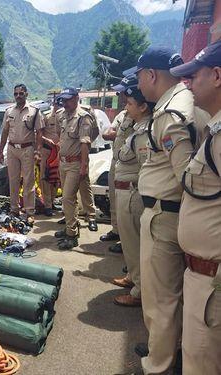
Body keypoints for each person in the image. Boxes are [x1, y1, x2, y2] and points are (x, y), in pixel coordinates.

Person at [124, 46, 207, 374]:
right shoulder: (184, 101)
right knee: (169, 297)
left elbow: (188, 177)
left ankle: (158, 365)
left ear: (152, 75)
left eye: (140, 75)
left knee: (161, 299)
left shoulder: (170, 113)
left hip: (164, 214)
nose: (138, 81)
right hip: (170, 214)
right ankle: (164, 349)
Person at [170, 40, 221, 375]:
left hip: (212, 284)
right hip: (201, 279)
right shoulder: (214, 131)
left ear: (216, 75)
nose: (189, 83)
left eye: (194, 75)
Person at [110, 76, 153, 307]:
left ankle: (138, 292)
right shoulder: (134, 127)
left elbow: (144, 167)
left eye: (129, 104)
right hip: (124, 192)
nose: (125, 107)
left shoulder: (145, 131)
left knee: (135, 243)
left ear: (143, 106)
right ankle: (132, 278)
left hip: (133, 193)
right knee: (128, 242)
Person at [53, 87, 98, 250]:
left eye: (68, 99)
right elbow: (60, 136)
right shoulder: (62, 116)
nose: (65, 103)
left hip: (75, 163)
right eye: (63, 100)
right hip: (63, 162)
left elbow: (85, 142)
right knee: (68, 197)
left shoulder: (83, 117)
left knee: (67, 198)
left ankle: (72, 235)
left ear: (77, 98)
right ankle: (70, 227)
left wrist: (84, 166)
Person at [0, 84, 44, 219]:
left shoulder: (34, 111)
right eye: (16, 94)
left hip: (27, 149)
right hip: (12, 149)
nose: (18, 96)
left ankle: (29, 211)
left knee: (28, 181)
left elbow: (39, 132)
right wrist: (1, 151)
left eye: (21, 93)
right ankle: (14, 209)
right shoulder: (9, 111)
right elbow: (5, 132)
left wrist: (38, 151)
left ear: (26, 94)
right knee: (13, 180)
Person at [101, 80, 136, 247]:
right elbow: (107, 133)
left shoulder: (139, 116)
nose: (120, 96)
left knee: (126, 206)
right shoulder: (122, 115)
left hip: (130, 165)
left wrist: (116, 134)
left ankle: (126, 239)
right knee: (114, 199)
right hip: (116, 162)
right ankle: (116, 231)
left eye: (122, 93)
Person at [39, 97, 63, 216]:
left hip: (60, 152)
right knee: (45, 178)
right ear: (53, 104)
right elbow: (38, 134)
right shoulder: (46, 116)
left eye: (61, 105)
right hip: (47, 151)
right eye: (57, 105)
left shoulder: (65, 117)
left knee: (56, 179)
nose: (59, 107)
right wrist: (47, 140)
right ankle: (47, 205)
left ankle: (52, 202)